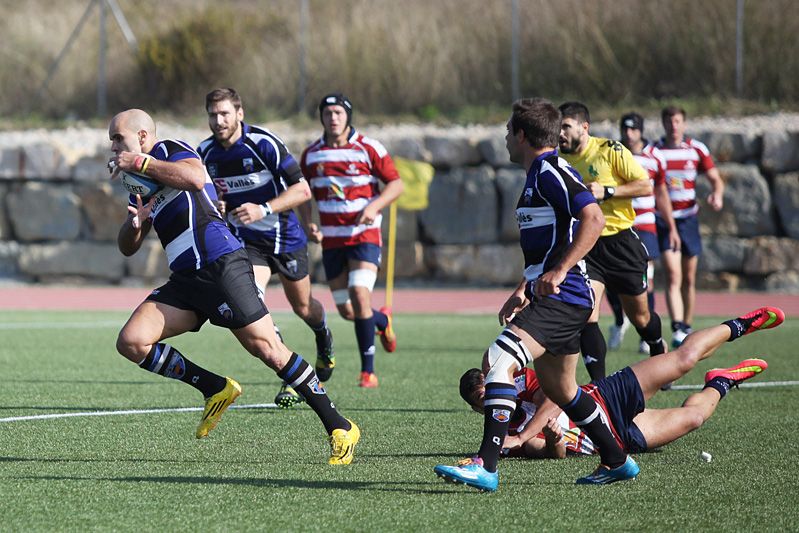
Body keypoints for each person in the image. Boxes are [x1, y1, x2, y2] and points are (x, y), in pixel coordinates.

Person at [108, 108, 359, 464]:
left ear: (144, 137)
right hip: (186, 278)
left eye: (119, 138)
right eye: (112, 141)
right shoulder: (139, 180)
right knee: (132, 341)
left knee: (269, 350)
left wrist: (140, 163)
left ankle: (340, 425)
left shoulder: (167, 151)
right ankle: (215, 388)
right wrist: (136, 223)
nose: (114, 147)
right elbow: (127, 247)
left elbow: (195, 178)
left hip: (221, 264)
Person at [434, 97, 637, 492]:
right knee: (563, 390)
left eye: (508, 132)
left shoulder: (549, 172)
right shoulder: (539, 175)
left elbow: (593, 219)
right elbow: (549, 248)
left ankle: (485, 466)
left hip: (565, 296)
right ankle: (616, 460)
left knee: (498, 359)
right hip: (556, 297)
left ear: (522, 135)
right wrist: (524, 288)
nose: (505, 138)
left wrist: (560, 272)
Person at [458, 306, 783, 460]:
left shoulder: (518, 385)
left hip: (605, 398)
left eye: (489, 390)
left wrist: (526, 433)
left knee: (683, 360)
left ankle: (739, 325)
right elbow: (553, 454)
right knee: (694, 418)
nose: (491, 400)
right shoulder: (505, 438)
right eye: (481, 400)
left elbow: (555, 397)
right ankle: (721, 381)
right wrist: (549, 437)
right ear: (477, 409)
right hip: (614, 437)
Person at [197, 88, 335, 409]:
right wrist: (215, 205)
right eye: (213, 115)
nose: (218, 121)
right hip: (245, 244)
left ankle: (323, 334)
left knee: (303, 308)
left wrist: (264, 209)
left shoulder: (263, 143)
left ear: (239, 113)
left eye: (225, 114)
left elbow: (302, 190)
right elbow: (203, 198)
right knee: (254, 300)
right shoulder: (204, 153)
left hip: (285, 238)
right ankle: (290, 374)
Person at [299, 93, 403, 388]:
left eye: (338, 112)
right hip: (332, 241)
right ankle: (382, 322)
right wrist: (308, 223)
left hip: (363, 236)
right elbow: (301, 191)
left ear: (348, 116)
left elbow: (396, 184)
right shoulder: (311, 155)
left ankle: (367, 371)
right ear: (321, 117)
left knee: (360, 295)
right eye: (328, 113)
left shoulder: (368, 147)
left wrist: (373, 207)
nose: (333, 117)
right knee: (348, 311)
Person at [558, 102, 666, 382]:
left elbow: (645, 185)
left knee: (641, 318)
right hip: (587, 246)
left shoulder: (610, 151)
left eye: (566, 126)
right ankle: (600, 387)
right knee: (586, 315)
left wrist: (608, 190)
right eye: (558, 127)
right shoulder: (559, 159)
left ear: (584, 127)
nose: (560, 133)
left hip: (621, 244)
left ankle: (657, 347)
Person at [607, 113, 681, 355]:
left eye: (633, 129)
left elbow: (660, 192)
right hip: (617, 226)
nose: (629, 134)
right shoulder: (612, 152)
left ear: (641, 130)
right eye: (625, 129)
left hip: (645, 226)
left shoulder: (654, 157)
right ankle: (619, 321)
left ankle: (645, 333)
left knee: (644, 282)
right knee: (610, 283)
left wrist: (670, 226)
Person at [655, 106, 725, 348]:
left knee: (689, 278)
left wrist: (717, 194)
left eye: (677, 121)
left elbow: (715, 179)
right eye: (669, 121)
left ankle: (686, 324)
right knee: (673, 275)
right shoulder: (655, 151)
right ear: (663, 124)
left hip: (689, 220)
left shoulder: (696, 149)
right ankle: (676, 327)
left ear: (683, 124)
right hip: (664, 220)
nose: (673, 125)